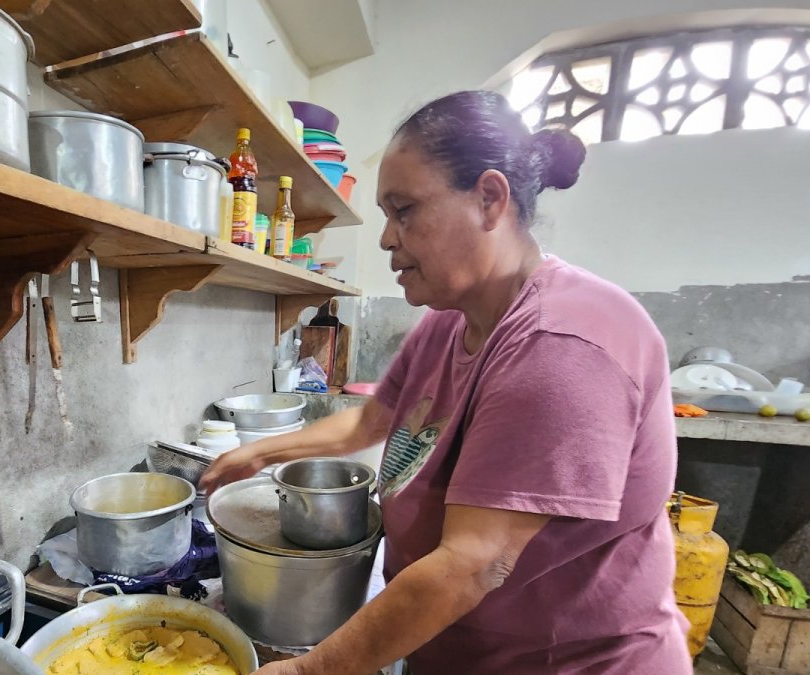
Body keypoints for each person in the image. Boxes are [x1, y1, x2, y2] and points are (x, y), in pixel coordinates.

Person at [200, 90, 692, 674]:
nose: (386, 239)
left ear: (488, 199)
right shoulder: (447, 322)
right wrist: (258, 453)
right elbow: (372, 418)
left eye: (404, 210)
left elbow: (476, 563)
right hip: (459, 649)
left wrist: (311, 669)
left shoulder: (562, 344)